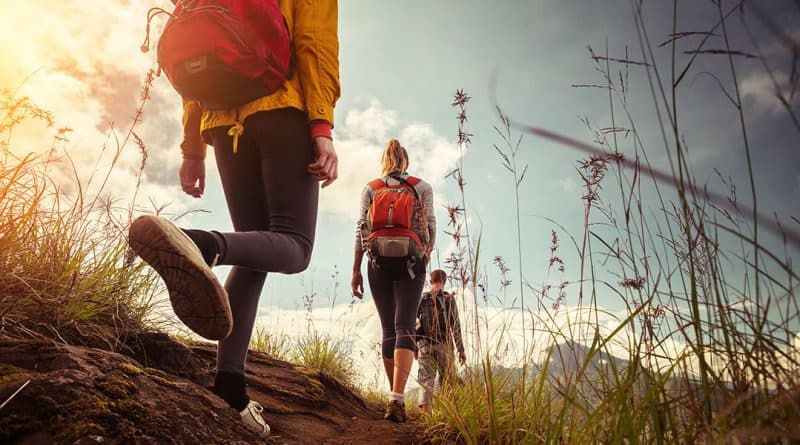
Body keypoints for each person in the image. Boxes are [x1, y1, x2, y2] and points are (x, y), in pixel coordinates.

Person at [128, 0, 340, 438]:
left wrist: (193, 147)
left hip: (223, 122)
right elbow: (314, 44)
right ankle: (202, 244)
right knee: (294, 246)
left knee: (254, 254)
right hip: (283, 112)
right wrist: (321, 127)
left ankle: (230, 389)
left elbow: (195, 59)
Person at [351, 139, 436, 423]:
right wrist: (424, 255)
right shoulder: (421, 187)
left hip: (377, 264)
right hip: (412, 263)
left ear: (384, 161)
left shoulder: (371, 188)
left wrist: (356, 269)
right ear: (406, 161)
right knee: (405, 327)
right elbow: (431, 226)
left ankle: (394, 397)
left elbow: (360, 228)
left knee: (389, 329)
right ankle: (397, 398)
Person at [415, 269, 466, 413]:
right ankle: (446, 413)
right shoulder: (448, 298)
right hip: (444, 344)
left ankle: (426, 414)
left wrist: (415, 346)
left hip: (424, 345)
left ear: (430, 281)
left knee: (426, 379)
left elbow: (414, 322)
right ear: (444, 281)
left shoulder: (421, 299)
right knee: (447, 378)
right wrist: (461, 349)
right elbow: (455, 325)